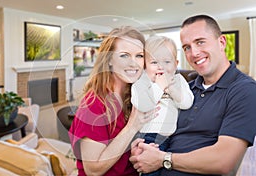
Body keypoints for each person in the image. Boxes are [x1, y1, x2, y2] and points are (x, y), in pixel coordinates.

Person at [130, 14, 256, 176]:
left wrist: (163, 159)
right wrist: (142, 150)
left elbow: (224, 162)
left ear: (222, 42)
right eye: (187, 47)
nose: (194, 53)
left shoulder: (244, 90)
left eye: (200, 42)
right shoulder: (185, 89)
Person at [69, 26, 159, 176]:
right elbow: (93, 170)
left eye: (139, 55)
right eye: (124, 55)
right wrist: (132, 126)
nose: (134, 63)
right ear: (109, 59)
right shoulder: (94, 104)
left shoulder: (134, 96)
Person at [131, 35, 194, 176]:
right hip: (149, 137)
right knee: (150, 171)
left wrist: (171, 89)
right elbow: (143, 105)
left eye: (167, 61)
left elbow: (187, 103)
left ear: (176, 63)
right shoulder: (142, 81)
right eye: (154, 62)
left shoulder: (178, 80)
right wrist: (159, 87)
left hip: (174, 136)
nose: (161, 67)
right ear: (145, 65)